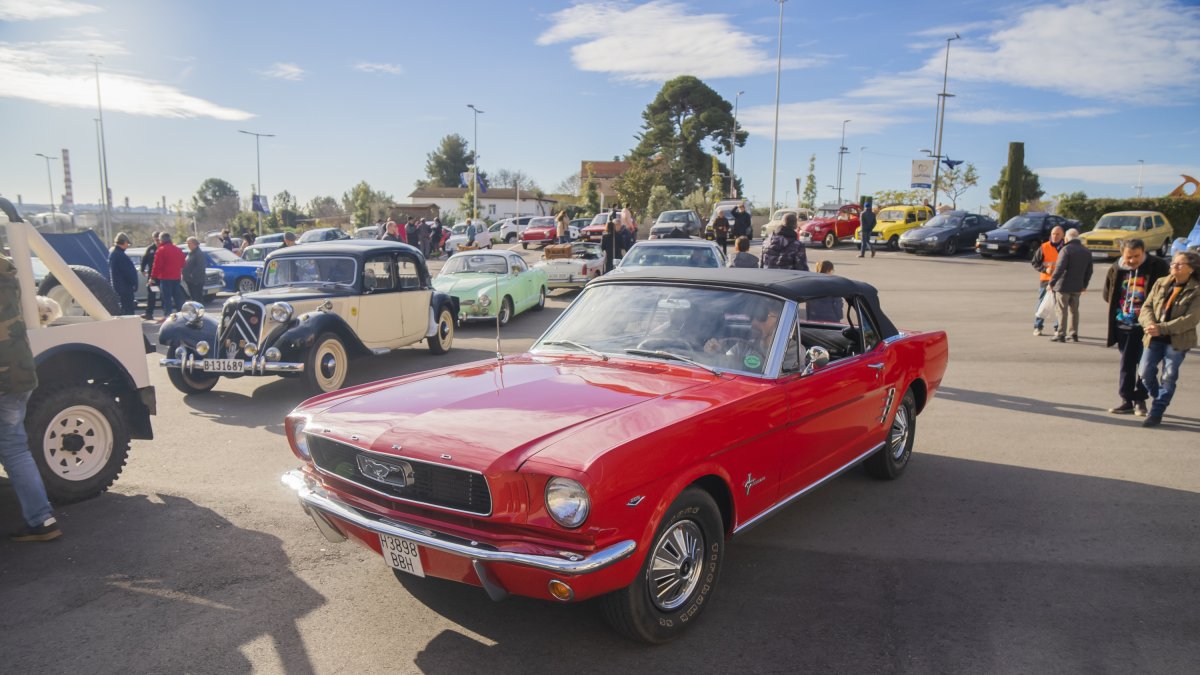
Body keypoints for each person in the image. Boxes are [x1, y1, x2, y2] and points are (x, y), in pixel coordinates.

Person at [0, 251, 61, 542]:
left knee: (13, 447)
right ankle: (42, 518)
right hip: (20, 369)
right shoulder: (8, 267)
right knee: (15, 448)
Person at [1102, 239, 1169, 415]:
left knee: (1145, 365)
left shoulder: (1158, 266)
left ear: (1144, 251)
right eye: (1128, 257)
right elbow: (1107, 293)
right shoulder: (1116, 268)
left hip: (1148, 325)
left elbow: (1166, 294)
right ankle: (1126, 399)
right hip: (1124, 324)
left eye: (1136, 256)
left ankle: (1140, 399)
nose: (1132, 260)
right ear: (1122, 253)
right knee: (1127, 363)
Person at [1137, 251, 1200, 427]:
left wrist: (1162, 328)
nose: (1174, 266)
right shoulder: (1161, 283)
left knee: (1169, 375)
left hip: (1177, 339)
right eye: (1173, 263)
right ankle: (1159, 397)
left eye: (1180, 264)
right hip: (1154, 336)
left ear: (1191, 269)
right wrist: (1149, 324)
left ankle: (1156, 412)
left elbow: (1191, 319)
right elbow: (1146, 307)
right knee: (1144, 372)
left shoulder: (1196, 289)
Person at [1048, 228, 1093, 343]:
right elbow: (1089, 271)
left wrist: (1052, 282)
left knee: (1062, 310)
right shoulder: (1086, 251)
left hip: (1063, 286)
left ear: (1066, 238)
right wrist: (1084, 285)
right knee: (1074, 311)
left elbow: (1059, 268)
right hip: (1077, 286)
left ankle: (1060, 334)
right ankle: (1073, 334)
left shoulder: (1066, 250)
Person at [1031, 226, 1065, 335]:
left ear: (1063, 235)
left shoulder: (1066, 247)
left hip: (1061, 281)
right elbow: (1035, 263)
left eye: (1058, 234)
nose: (1055, 236)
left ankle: (1058, 328)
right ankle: (1038, 327)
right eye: (1053, 234)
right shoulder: (1044, 247)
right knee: (1042, 304)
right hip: (1046, 281)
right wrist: (1045, 269)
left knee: (1059, 306)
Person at [150, 232, 186, 317]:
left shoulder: (161, 250)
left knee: (166, 298)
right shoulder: (177, 249)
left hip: (165, 277)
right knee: (177, 297)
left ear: (161, 240)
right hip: (176, 277)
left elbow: (157, 265)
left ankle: (167, 315)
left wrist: (153, 277)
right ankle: (181, 315)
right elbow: (183, 263)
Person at [108, 232, 138, 315]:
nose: (128, 245)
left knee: (123, 309)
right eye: (127, 243)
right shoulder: (120, 256)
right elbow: (127, 272)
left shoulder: (114, 254)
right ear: (124, 242)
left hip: (119, 287)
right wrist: (134, 282)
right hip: (125, 288)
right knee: (128, 310)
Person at [141, 231, 160, 319]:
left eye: (158, 239)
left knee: (164, 295)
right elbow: (144, 259)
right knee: (152, 294)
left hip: (162, 277)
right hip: (153, 277)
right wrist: (142, 269)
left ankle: (167, 314)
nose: (157, 241)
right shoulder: (150, 249)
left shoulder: (163, 248)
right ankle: (149, 313)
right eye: (155, 239)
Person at [183, 237, 207, 302]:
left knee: (197, 298)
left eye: (189, 243)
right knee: (193, 298)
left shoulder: (198, 253)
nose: (188, 245)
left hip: (196, 281)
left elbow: (200, 266)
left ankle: (199, 311)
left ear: (194, 244)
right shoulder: (191, 252)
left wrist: (192, 275)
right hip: (190, 280)